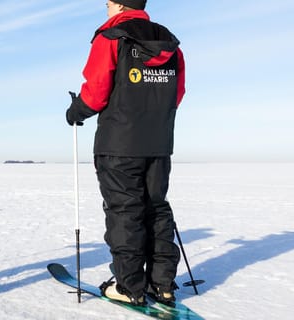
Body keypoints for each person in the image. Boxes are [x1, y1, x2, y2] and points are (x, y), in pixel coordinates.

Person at [65, 0, 186, 306]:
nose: (105, 9)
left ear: (119, 5)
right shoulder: (169, 43)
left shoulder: (111, 37)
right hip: (158, 143)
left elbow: (95, 92)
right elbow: (177, 93)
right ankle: (163, 284)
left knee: (125, 211)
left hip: (119, 144)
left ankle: (129, 286)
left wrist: (75, 110)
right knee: (156, 207)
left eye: (107, 3)